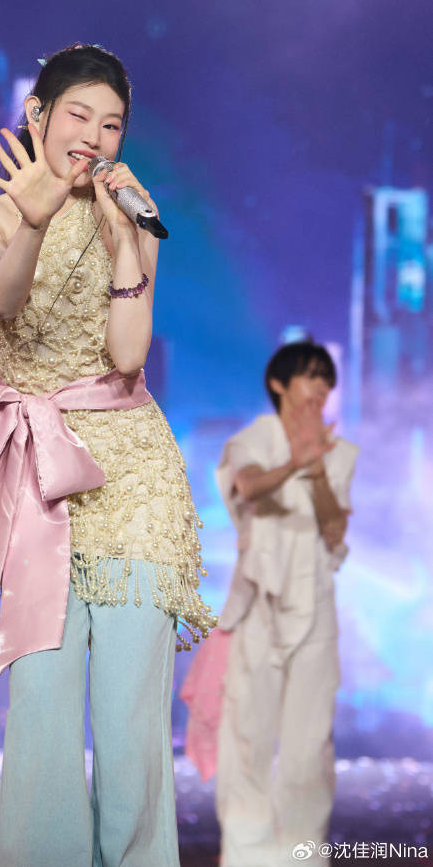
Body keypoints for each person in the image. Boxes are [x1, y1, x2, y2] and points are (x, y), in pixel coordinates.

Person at [0, 43, 216, 867]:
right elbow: (6, 302)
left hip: (133, 482)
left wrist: (126, 238)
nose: (94, 136)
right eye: (78, 116)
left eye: (112, 124)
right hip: (42, 482)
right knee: (42, 714)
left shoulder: (134, 211)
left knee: (131, 729)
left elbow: (128, 354)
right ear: (38, 116)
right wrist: (35, 218)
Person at [213, 341, 359, 867]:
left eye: (327, 379)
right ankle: (245, 854)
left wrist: (315, 468)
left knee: (309, 743)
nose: (321, 387)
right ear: (279, 383)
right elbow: (247, 484)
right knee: (247, 737)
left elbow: (335, 529)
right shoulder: (255, 436)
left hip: (315, 606)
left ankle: (302, 854)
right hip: (259, 604)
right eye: (310, 375)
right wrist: (293, 461)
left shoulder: (339, 450)